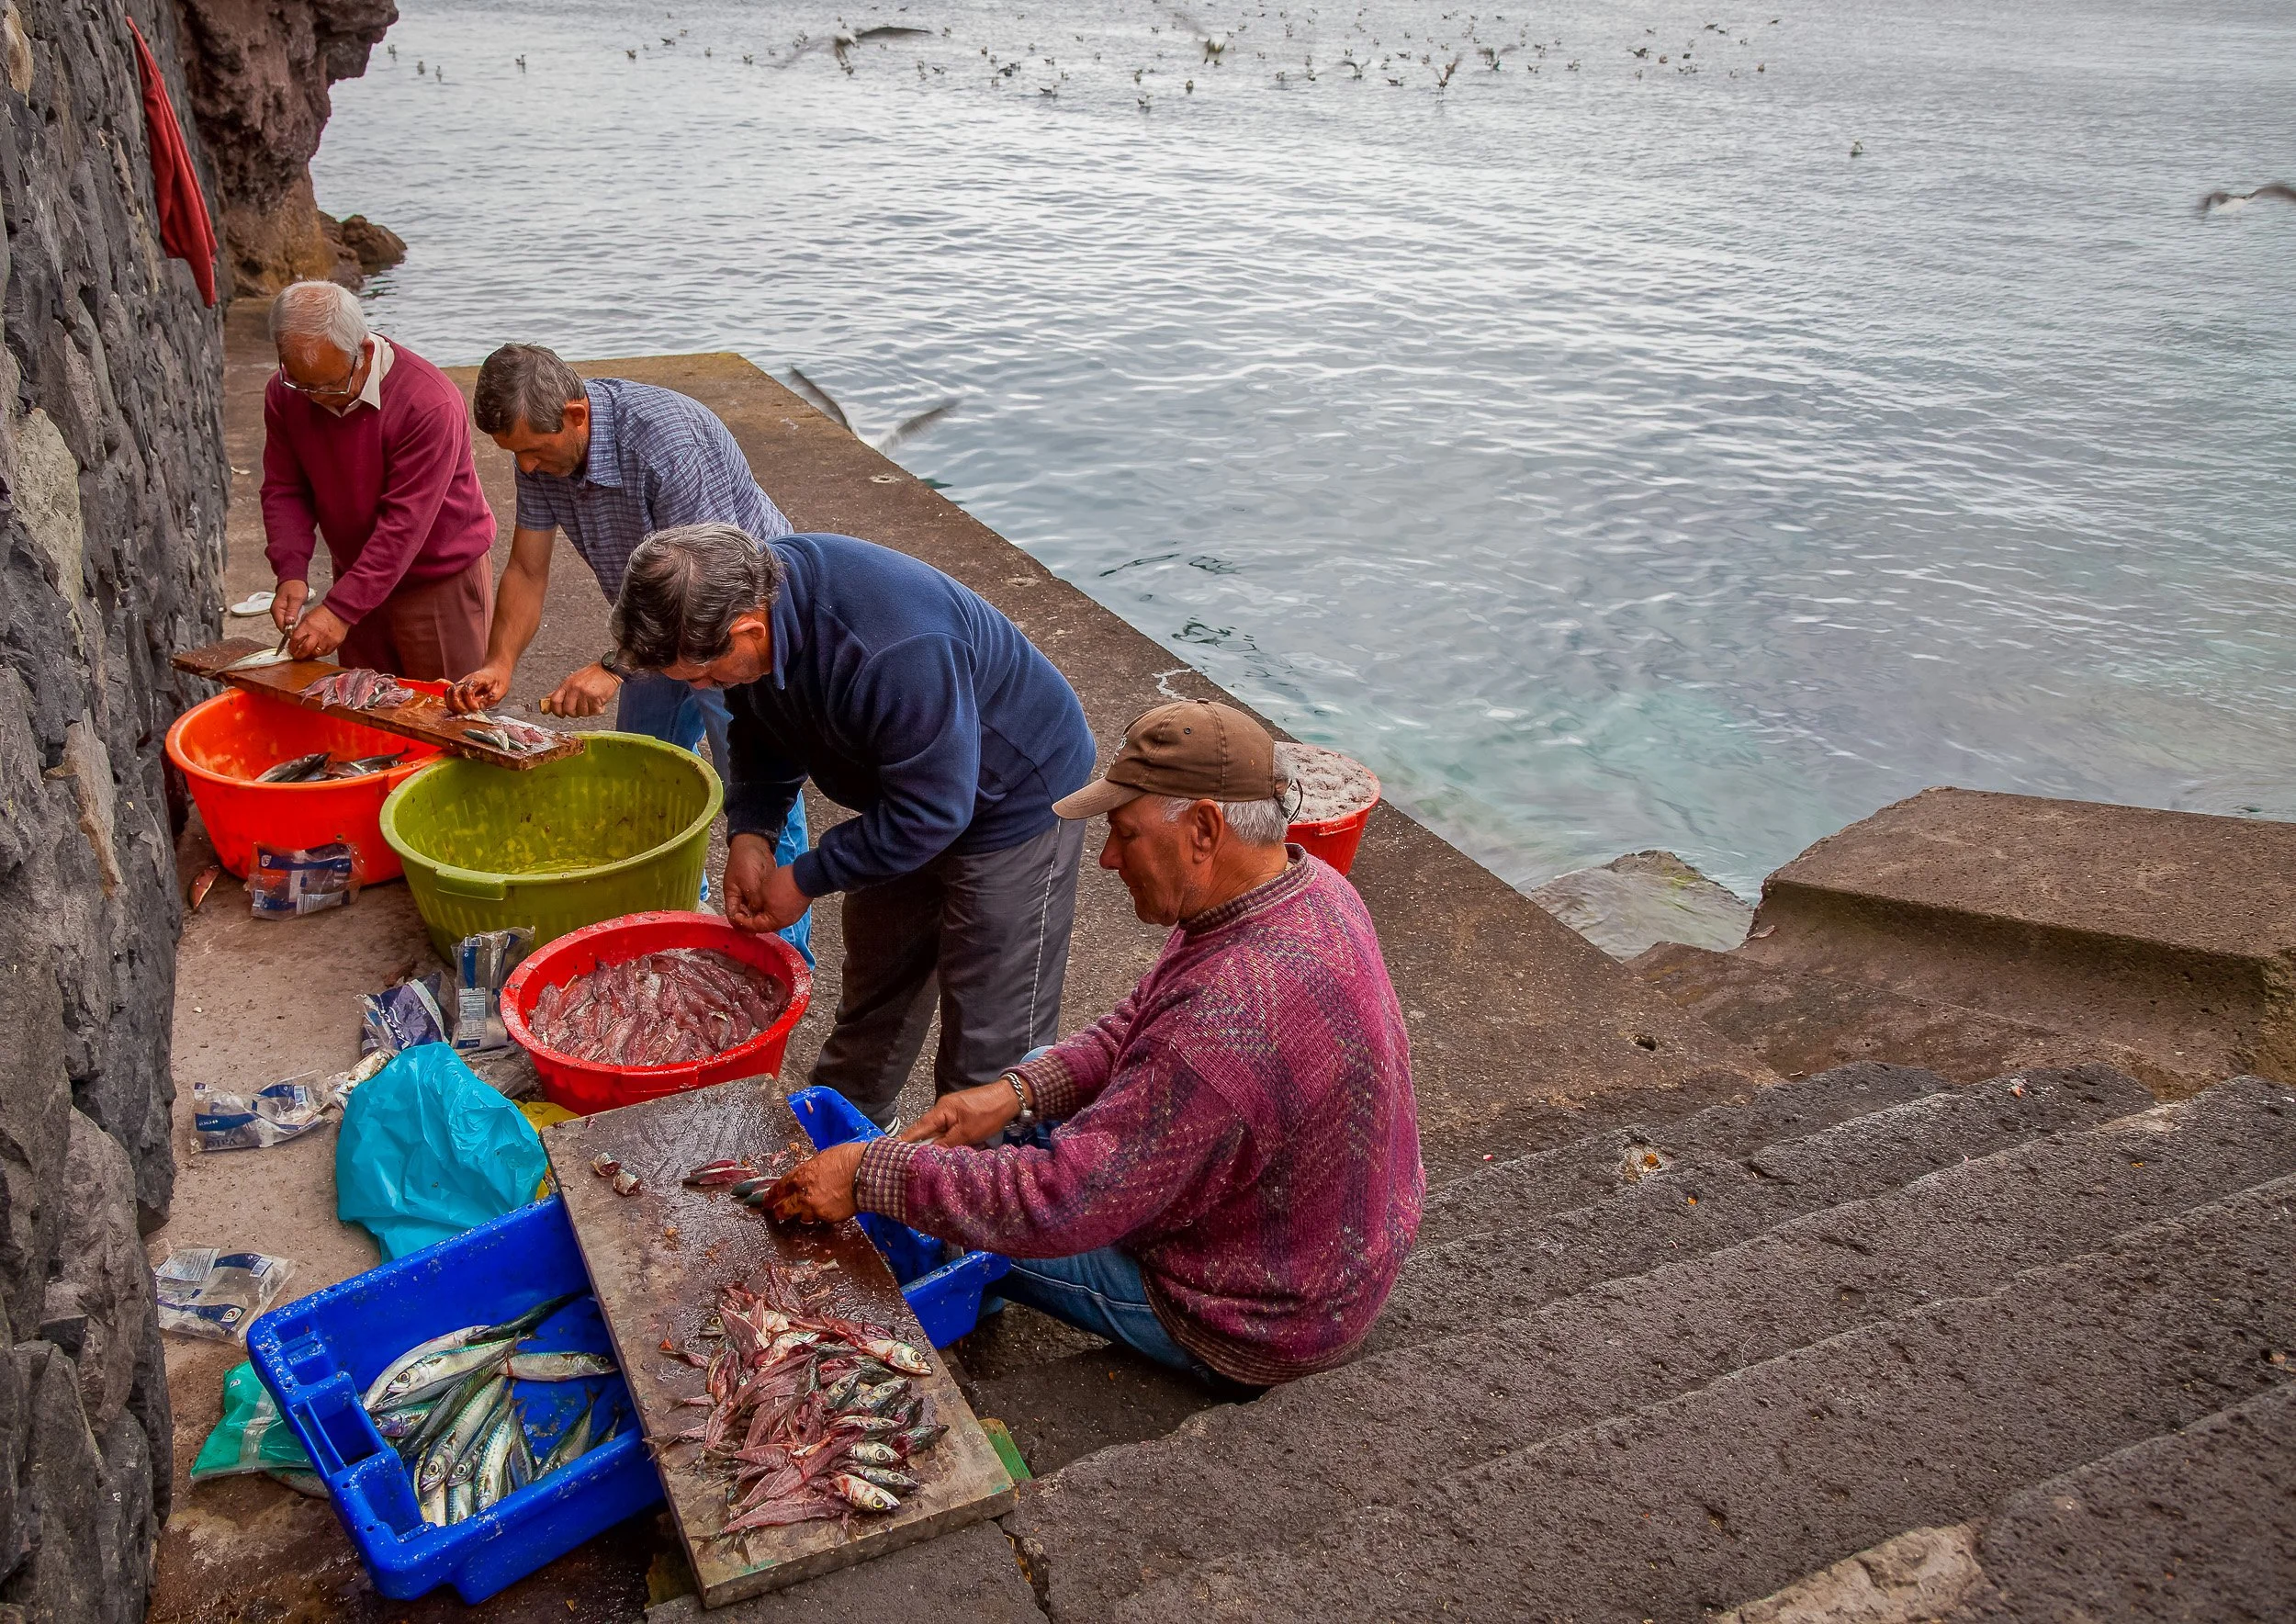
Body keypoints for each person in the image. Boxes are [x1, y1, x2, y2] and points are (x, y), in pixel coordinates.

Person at [764, 700, 1424, 1386]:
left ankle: (963, 1317)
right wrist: (1019, 1091)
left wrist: (871, 1175)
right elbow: (1140, 1018)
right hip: (1332, 1256)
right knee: (1022, 1084)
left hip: (1259, 1314)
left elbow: (1057, 1200)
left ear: (1204, 827)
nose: (1108, 858)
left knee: (951, 1216)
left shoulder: (1224, 1022)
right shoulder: (1307, 885)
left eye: (1125, 834)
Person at [609, 522, 1097, 1129]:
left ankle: (984, 1185)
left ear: (748, 630)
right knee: (879, 971)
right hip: (911, 788)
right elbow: (759, 727)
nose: (705, 690)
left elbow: (936, 812)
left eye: (704, 677)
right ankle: (848, 1123)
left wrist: (807, 877)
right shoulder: (754, 620)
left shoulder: (889, 646)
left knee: (991, 1031)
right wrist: (751, 831)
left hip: (1013, 797)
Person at [450, 343, 809, 946]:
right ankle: (666, 909)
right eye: (517, 456)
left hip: (734, 625)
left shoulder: (666, 445)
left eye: (535, 451)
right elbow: (527, 569)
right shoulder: (540, 452)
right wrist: (500, 662)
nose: (529, 469)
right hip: (653, 626)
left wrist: (612, 667)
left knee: (756, 784)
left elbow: (705, 593)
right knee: (643, 769)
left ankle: (785, 954)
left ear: (576, 414)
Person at [258, 281, 496, 679]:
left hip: (437, 580)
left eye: (329, 384)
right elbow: (284, 488)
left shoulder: (428, 403)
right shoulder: (286, 393)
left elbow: (405, 524)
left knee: (449, 718)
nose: (315, 397)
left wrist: (340, 609)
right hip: (357, 573)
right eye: (301, 382)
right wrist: (291, 571)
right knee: (369, 718)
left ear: (364, 352)